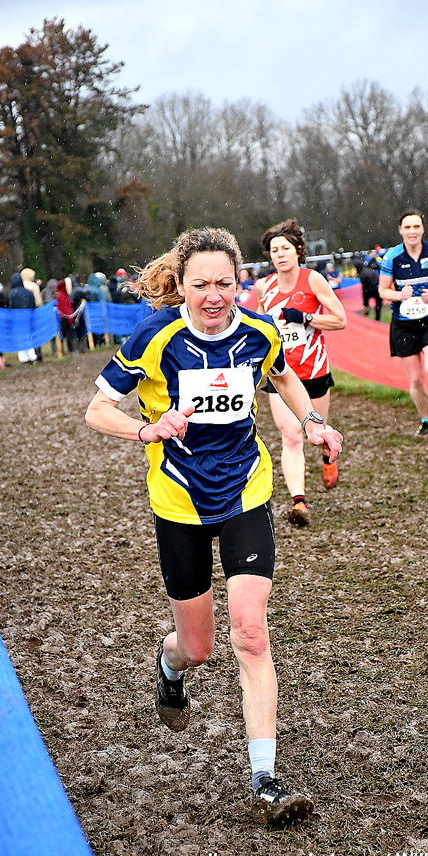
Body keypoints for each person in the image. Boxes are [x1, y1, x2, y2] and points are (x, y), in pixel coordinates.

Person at [85, 227, 343, 824]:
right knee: (198, 648)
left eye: (224, 283)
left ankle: (266, 779)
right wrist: (146, 429)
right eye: (200, 284)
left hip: (245, 490)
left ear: (238, 281)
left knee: (250, 632)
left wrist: (310, 420)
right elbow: (97, 410)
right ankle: (169, 666)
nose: (213, 296)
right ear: (181, 284)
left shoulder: (258, 331)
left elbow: (282, 375)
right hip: (178, 501)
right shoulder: (154, 337)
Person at [254, 219, 347, 526]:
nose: (280, 254)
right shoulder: (263, 287)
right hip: (280, 373)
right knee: (291, 435)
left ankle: (327, 458)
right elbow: (257, 325)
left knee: (317, 431)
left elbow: (340, 319)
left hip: (314, 370)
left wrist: (306, 318)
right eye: (274, 250)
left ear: (298, 251)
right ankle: (299, 502)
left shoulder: (313, 280)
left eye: (285, 248)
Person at [378, 210, 428, 437]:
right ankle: (426, 421)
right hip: (403, 325)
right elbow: (383, 290)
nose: (412, 231)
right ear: (400, 230)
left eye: (416, 226)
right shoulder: (392, 256)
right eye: (408, 227)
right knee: (415, 378)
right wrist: (399, 295)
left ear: (422, 229)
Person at [8, 272, 37, 364]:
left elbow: (10, 307)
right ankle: (32, 356)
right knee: (29, 336)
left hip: (17, 319)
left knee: (19, 338)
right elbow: (33, 305)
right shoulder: (28, 292)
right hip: (28, 317)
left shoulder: (12, 294)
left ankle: (24, 358)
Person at [359, 254, 382, 320]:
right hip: (377, 287)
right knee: (378, 305)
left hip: (370, 288)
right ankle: (377, 317)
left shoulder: (364, 272)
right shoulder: (373, 269)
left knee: (367, 297)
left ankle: (367, 307)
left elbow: (364, 286)